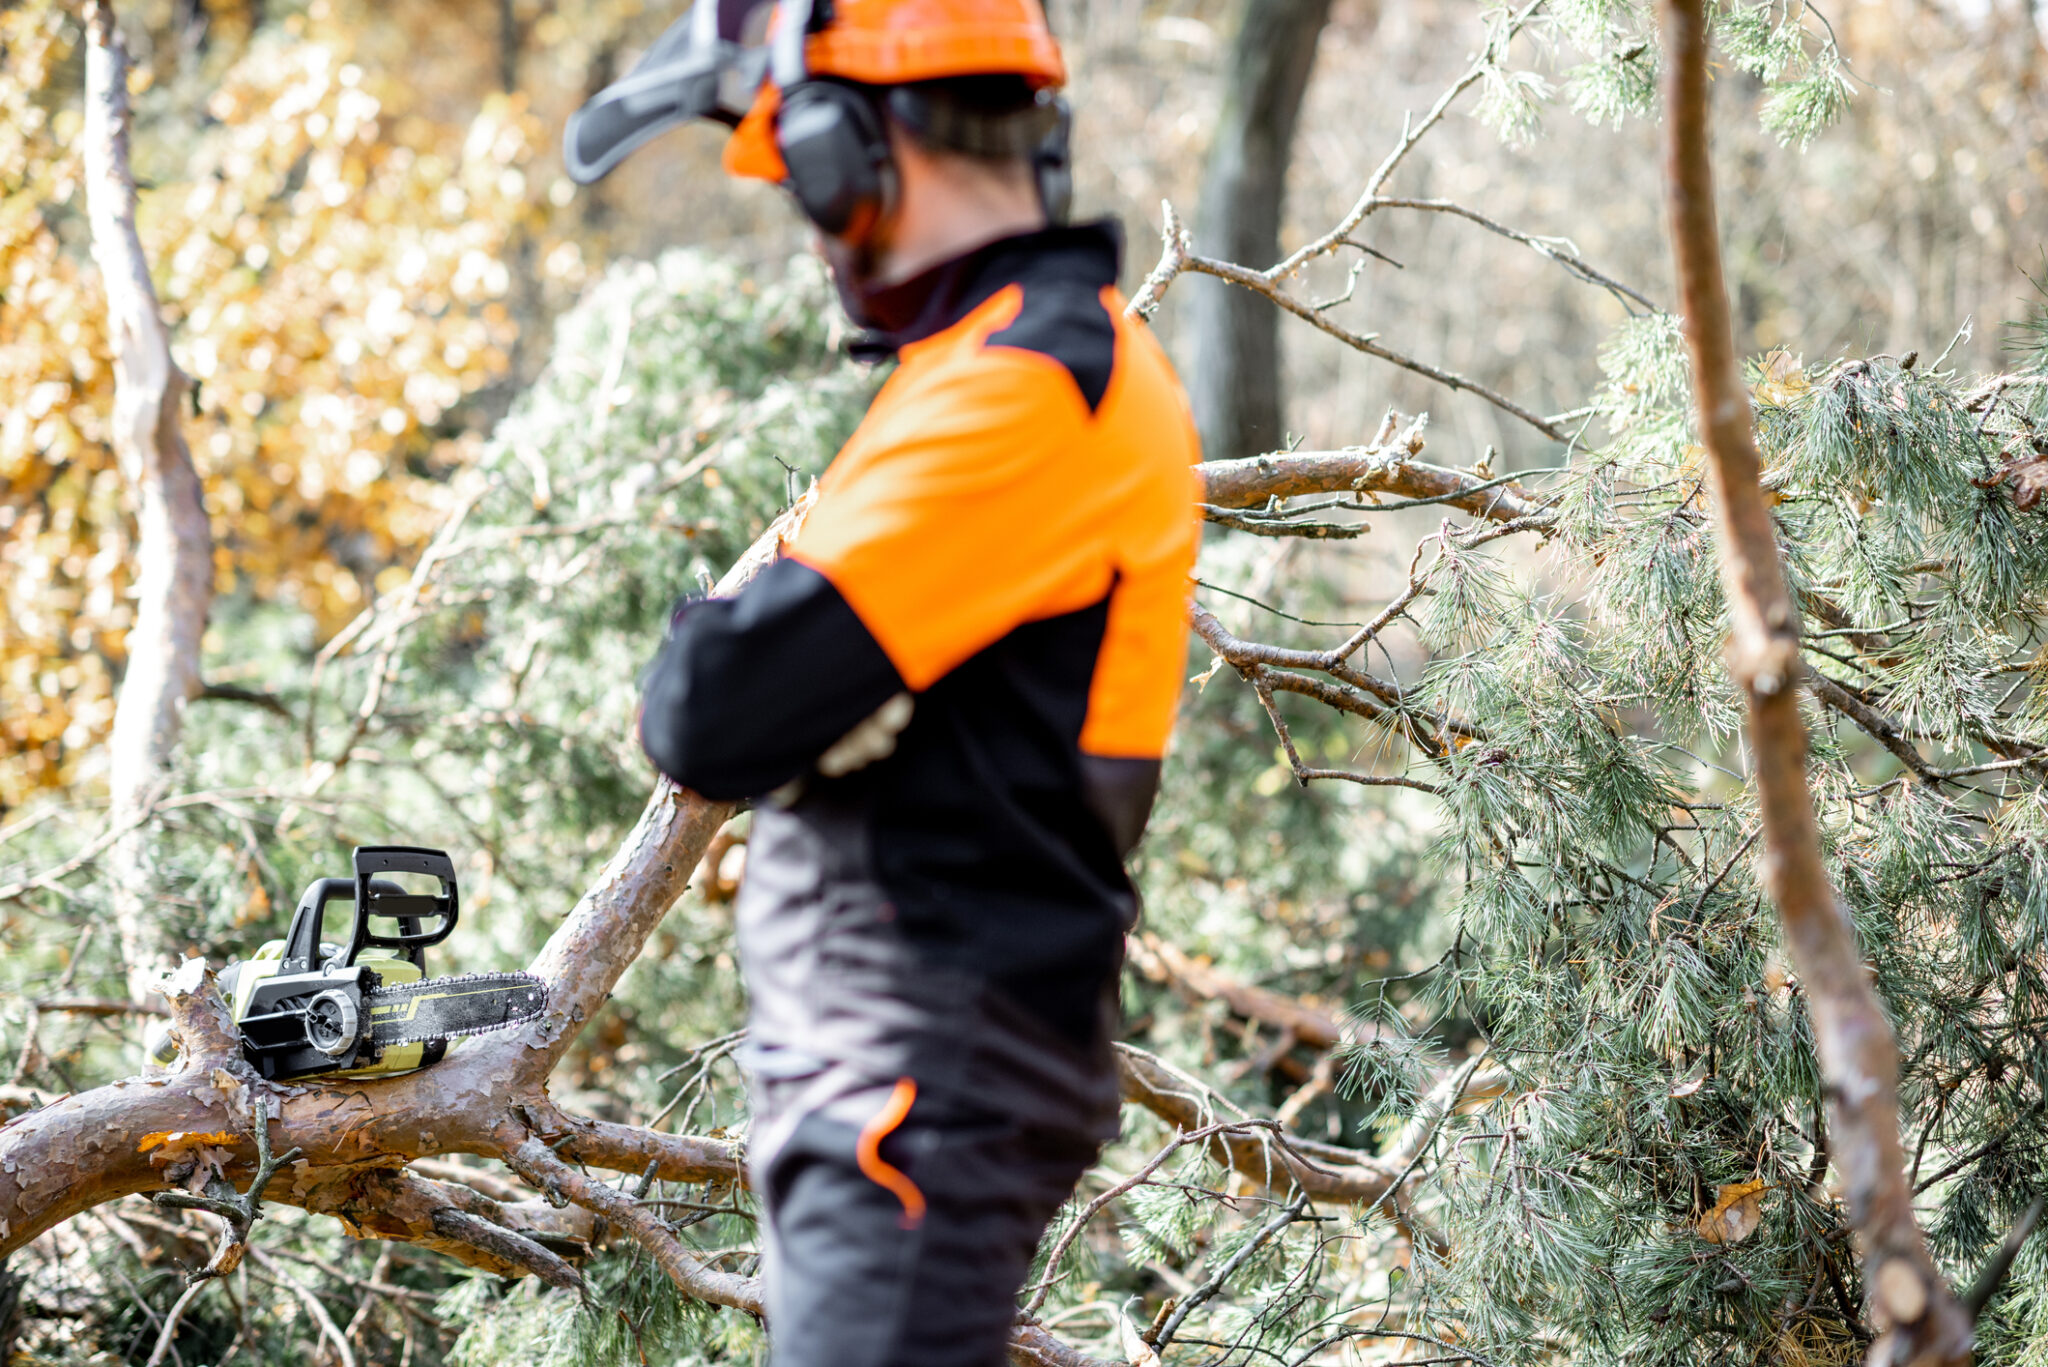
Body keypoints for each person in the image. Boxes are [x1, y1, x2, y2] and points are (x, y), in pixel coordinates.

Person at [567, 1, 1201, 1361]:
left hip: (922, 1084)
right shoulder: (977, 373)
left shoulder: (1031, 387)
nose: (808, 225)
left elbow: (710, 712)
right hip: (894, 1074)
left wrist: (740, 634)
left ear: (843, 149)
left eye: (799, 182)